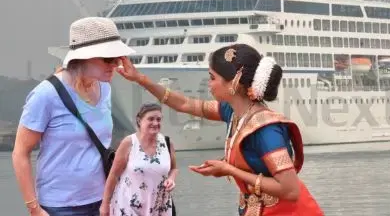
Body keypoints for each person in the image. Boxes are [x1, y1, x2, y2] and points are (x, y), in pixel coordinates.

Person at [117, 43, 324, 215]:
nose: (209, 84)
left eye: (212, 77)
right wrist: (140, 79)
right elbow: (185, 104)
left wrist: (229, 169)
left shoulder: (265, 130)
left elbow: (290, 190)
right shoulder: (232, 112)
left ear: (234, 81)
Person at [12, 16, 136, 216]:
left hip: (103, 201)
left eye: (118, 58)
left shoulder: (105, 88)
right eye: (108, 59)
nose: (115, 64)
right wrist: (34, 208)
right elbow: (20, 153)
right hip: (60, 207)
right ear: (83, 58)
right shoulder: (46, 94)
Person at [100, 103, 177, 216]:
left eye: (158, 119)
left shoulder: (167, 143)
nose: (155, 123)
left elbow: (174, 168)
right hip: (129, 207)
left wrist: (171, 179)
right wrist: (105, 204)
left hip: (158, 207)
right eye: (151, 119)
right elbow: (114, 175)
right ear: (139, 120)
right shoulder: (129, 143)